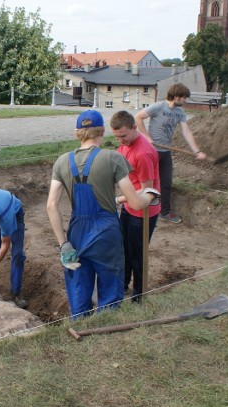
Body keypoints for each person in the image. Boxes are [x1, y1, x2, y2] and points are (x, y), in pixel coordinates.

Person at [46, 110, 159, 319]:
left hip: (77, 232)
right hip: (106, 233)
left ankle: (80, 326)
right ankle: (107, 330)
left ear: (76, 133)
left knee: (79, 287)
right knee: (109, 288)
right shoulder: (112, 158)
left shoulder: (62, 162)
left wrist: (64, 245)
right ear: (103, 131)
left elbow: (51, 205)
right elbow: (134, 201)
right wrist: (150, 195)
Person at [134, 83, 207, 224]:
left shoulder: (180, 112)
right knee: (148, 182)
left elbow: (186, 132)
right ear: (176, 96)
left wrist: (196, 151)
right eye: (184, 97)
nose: (185, 100)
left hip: (165, 151)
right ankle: (140, 207)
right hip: (152, 152)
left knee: (166, 183)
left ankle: (164, 212)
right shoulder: (159, 107)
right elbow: (138, 117)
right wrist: (147, 137)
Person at [111, 110, 161, 303]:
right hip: (129, 207)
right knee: (124, 249)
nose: (120, 140)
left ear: (134, 128)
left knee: (138, 255)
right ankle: (122, 285)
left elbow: (147, 190)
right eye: (116, 137)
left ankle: (138, 296)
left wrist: (117, 200)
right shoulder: (125, 145)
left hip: (144, 212)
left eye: (123, 136)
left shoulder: (144, 153)